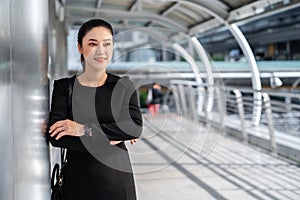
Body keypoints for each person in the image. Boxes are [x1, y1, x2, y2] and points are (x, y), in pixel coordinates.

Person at [47, 19, 143, 200]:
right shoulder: (64, 88)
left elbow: (134, 127)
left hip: (117, 182)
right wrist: (110, 137)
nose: (101, 51)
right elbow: (56, 137)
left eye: (107, 44)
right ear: (80, 48)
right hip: (78, 183)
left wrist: (83, 129)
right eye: (92, 43)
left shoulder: (123, 86)